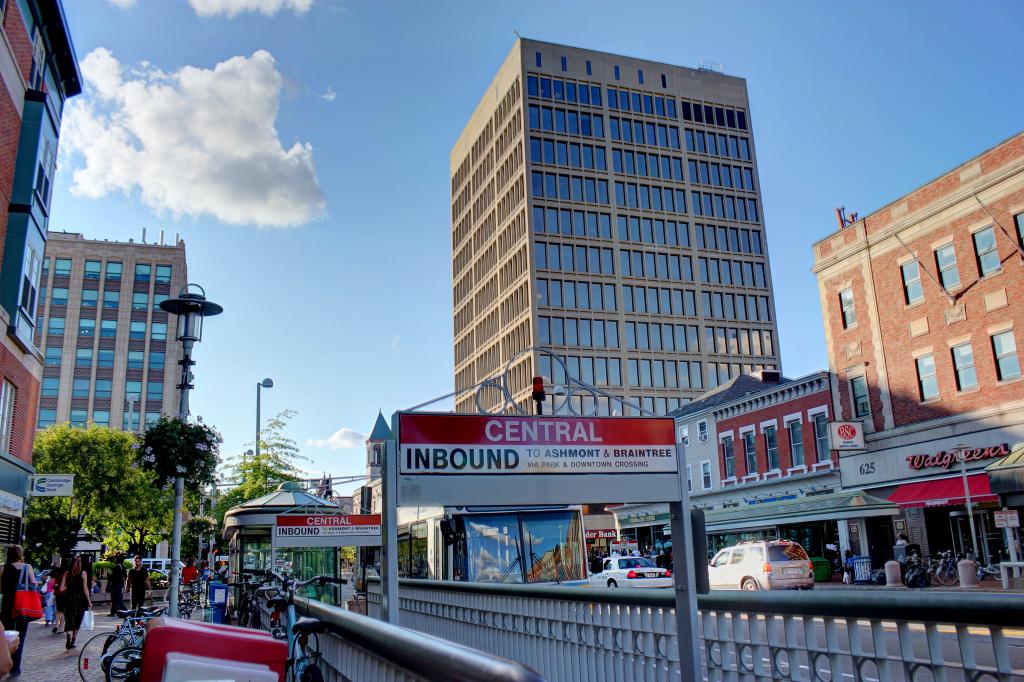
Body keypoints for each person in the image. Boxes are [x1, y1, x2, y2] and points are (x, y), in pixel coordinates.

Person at [1, 544, 36, 674]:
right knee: (20, 637)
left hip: (7, 607)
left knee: (5, 637)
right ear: (20, 554)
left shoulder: (4, 568)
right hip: (22, 607)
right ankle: (15, 668)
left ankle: (5, 661)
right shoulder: (27, 567)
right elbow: (33, 583)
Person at [59, 556, 91, 650]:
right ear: (80, 564)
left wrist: (68, 587)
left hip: (68, 599)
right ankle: (73, 640)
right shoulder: (83, 573)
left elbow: (61, 588)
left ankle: (68, 635)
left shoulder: (66, 573)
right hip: (80, 600)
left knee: (69, 619)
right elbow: (85, 589)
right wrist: (89, 601)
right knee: (78, 620)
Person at [49, 556, 65, 634]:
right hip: (64, 593)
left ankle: (56, 625)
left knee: (58, 610)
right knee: (63, 611)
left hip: (57, 593)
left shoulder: (57, 572)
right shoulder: (66, 573)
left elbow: (52, 579)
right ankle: (61, 627)